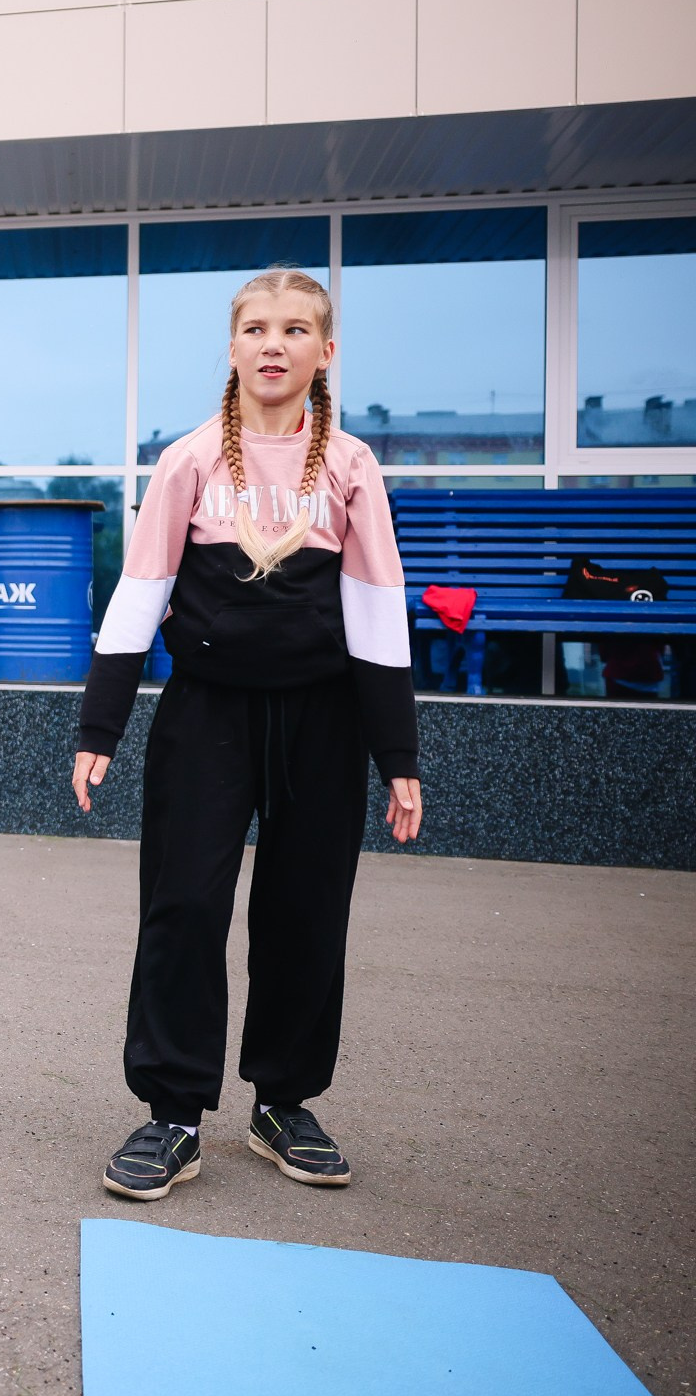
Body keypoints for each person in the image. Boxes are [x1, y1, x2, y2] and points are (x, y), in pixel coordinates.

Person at [73, 268, 422, 1202]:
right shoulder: (189, 461)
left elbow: (377, 610)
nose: (275, 343)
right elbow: (139, 592)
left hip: (324, 720)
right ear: (233, 348)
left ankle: (284, 1102)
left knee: (305, 914)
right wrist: (100, 723)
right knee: (184, 907)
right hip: (208, 715)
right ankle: (173, 1113)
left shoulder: (351, 467)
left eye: (296, 329)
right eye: (258, 328)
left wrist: (399, 756)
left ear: (325, 350)